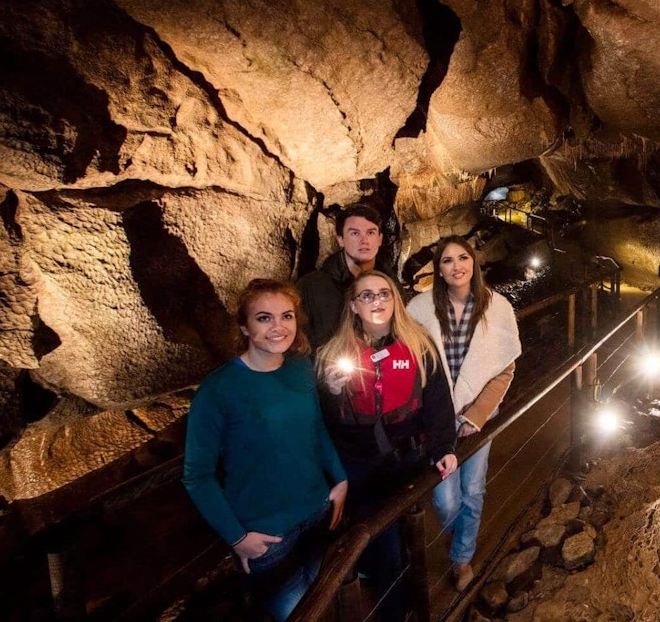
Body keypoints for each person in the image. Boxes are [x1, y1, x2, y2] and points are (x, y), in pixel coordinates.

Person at [183, 278, 348, 621]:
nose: (278, 327)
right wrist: (237, 536)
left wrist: (340, 479)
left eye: (286, 316)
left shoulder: (300, 368)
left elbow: (315, 428)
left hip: (317, 513)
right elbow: (197, 475)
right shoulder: (218, 390)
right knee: (289, 613)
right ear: (244, 325)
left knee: (321, 599)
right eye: (264, 318)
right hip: (267, 534)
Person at [315, 270, 458, 619]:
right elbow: (326, 421)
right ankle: (397, 609)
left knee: (395, 537)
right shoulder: (333, 354)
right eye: (367, 295)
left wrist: (444, 447)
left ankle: (399, 599)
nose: (376, 301)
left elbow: (438, 399)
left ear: (395, 299)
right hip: (360, 465)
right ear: (353, 305)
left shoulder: (419, 345)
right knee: (382, 542)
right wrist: (333, 393)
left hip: (406, 459)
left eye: (384, 293)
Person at [407, 236, 521, 592]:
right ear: (438, 269)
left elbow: (505, 367)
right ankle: (459, 536)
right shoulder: (420, 309)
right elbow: (411, 366)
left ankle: (461, 557)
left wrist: (476, 416)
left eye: (463, 258)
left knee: (472, 489)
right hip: (437, 415)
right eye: (447, 261)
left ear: (474, 263)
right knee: (445, 497)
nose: (456, 266)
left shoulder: (497, 306)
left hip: (479, 413)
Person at [298, 203, 384, 349]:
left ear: (379, 239)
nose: (364, 240)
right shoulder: (310, 287)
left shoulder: (391, 285)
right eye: (355, 233)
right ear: (340, 239)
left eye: (370, 233)